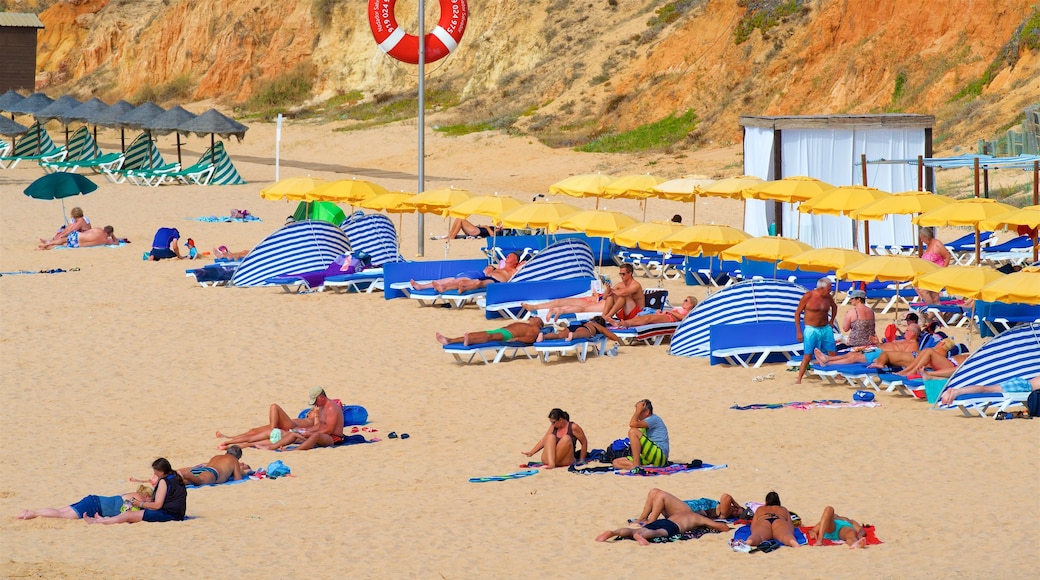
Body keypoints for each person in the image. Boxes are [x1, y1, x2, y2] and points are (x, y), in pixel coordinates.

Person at [84, 458, 186, 524]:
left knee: (129, 514)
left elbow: (157, 505)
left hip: (169, 514)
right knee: (129, 511)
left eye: (155, 471)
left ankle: (99, 521)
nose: (154, 473)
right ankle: (105, 519)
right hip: (177, 513)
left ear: (161, 471)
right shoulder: (176, 476)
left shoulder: (164, 482)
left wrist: (140, 504)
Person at [253, 387, 346, 451]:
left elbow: (329, 429)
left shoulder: (331, 408)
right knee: (295, 433)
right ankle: (271, 447)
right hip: (323, 433)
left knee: (315, 436)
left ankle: (294, 450)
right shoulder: (321, 406)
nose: (314, 404)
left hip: (334, 438)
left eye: (315, 401)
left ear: (322, 397)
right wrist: (305, 430)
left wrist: (311, 433)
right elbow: (319, 425)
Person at [217, 399, 319, 449]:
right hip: (285, 428)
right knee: (253, 432)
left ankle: (272, 429)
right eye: (310, 411)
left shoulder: (315, 419)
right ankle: (230, 438)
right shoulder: (306, 417)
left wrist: (317, 414)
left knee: (274, 407)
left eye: (312, 411)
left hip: (291, 427)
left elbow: (317, 427)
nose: (311, 412)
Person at [17, 483, 153, 520]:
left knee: (60, 511)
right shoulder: (138, 498)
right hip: (95, 506)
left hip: (94, 501)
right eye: (150, 498)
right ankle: (33, 513)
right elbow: (126, 511)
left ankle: (31, 512)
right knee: (62, 515)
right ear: (146, 495)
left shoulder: (132, 494)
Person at [795, 278, 839, 384]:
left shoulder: (828, 297)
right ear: (821, 288)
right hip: (811, 328)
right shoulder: (808, 296)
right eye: (829, 288)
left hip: (825, 328)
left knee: (832, 352)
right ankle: (799, 378)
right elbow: (797, 313)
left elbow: (834, 307)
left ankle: (839, 374)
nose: (830, 291)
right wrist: (799, 332)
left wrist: (832, 320)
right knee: (808, 355)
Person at [410, 252, 519, 293]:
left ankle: (445, 287)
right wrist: (490, 267)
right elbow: (492, 266)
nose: (507, 257)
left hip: (496, 281)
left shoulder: (516, 270)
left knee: (476, 282)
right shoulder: (500, 266)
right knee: (455, 279)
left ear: (516, 261)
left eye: (510, 256)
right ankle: (422, 287)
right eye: (507, 256)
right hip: (485, 275)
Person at [630, 488, 742, 525]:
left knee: (661, 496)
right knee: (654, 492)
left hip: (687, 512)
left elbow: (726, 497)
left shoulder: (724, 512)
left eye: (737, 511)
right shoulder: (720, 505)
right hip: (681, 508)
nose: (735, 509)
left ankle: (651, 523)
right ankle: (642, 518)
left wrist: (735, 503)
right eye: (737, 508)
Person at [611, 399, 669, 470]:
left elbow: (632, 424)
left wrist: (637, 411)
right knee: (616, 462)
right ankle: (643, 467)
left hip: (659, 455)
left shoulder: (653, 419)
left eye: (640, 411)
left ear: (647, 412)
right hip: (649, 457)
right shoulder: (645, 423)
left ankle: (636, 466)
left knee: (633, 432)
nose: (638, 415)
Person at [522, 408, 589, 468]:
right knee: (550, 437)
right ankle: (552, 463)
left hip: (565, 460)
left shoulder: (573, 427)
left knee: (566, 438)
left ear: (561, 420)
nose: (552, 424)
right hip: (549, 460)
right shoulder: (553, 427)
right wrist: (532, 452)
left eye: (554, 422)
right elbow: (544, 440)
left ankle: (552, 463)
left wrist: (582, 460)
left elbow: (584, 442)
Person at [436, 317, 545, 347]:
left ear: (540, 324)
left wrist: (517, 339)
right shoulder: (527, 324)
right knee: (480, 334)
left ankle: (470, 341)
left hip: (508, 335)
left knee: (489, 337)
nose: (533, 317)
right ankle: (450, 340)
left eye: (536, 318)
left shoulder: (535, 328)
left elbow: (530, 339)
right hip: (502, 330)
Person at [940, 375, 1040, 406]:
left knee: (987, 389)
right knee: (986, 390)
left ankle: (957, 391)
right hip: (1023, 387)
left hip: (1021, 383)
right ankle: (957, 392)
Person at [175, 446, 251, 485]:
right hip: (212, 472)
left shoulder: (217, 457)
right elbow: (238, 479)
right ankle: (185, 475)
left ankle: (179, 477)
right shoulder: (234, 460)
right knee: (201, 481)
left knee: (187, 482)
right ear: (238, 457)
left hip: (203, 470)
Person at [915, 227, 951, 304]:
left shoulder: (937, 244)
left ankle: (931, 310)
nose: (921, 241)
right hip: (929, 274)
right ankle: (937, 314)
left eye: (922, 238)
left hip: (937, 274)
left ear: (927, 236)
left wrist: (942, 270)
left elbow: (947, 256)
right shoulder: (928, 245)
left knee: (923, 291)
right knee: (934, 296)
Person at [615, 296, 696, 327]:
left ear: (691, 305)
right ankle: (625, 322)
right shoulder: (680, 308)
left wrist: (670, 312)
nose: (683, 301)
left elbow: (683, 318)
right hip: (666, 315)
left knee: (648, 318)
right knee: (645, 317)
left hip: (670, 318)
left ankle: (627, 323)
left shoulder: (688, 312)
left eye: (686, 300)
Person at [537, 316, 621, 343]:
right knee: (579, 334)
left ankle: (543, 336)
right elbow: (611, 335)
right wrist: (618, 339)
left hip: (573, 326)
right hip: (585, 329)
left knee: (558, 335)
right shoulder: (598, 326)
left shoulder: (588, 322)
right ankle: (573, 335)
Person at [38, 226, 118, 250]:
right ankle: (46, 247)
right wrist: (113, 235)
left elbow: (88, 232)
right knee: (63, 246)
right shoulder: (105, 241)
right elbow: (116, 243)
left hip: (78, 236)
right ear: (110, 233)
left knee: (64, 240)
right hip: (78, 244)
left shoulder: (98, 229)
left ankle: (48, 243)